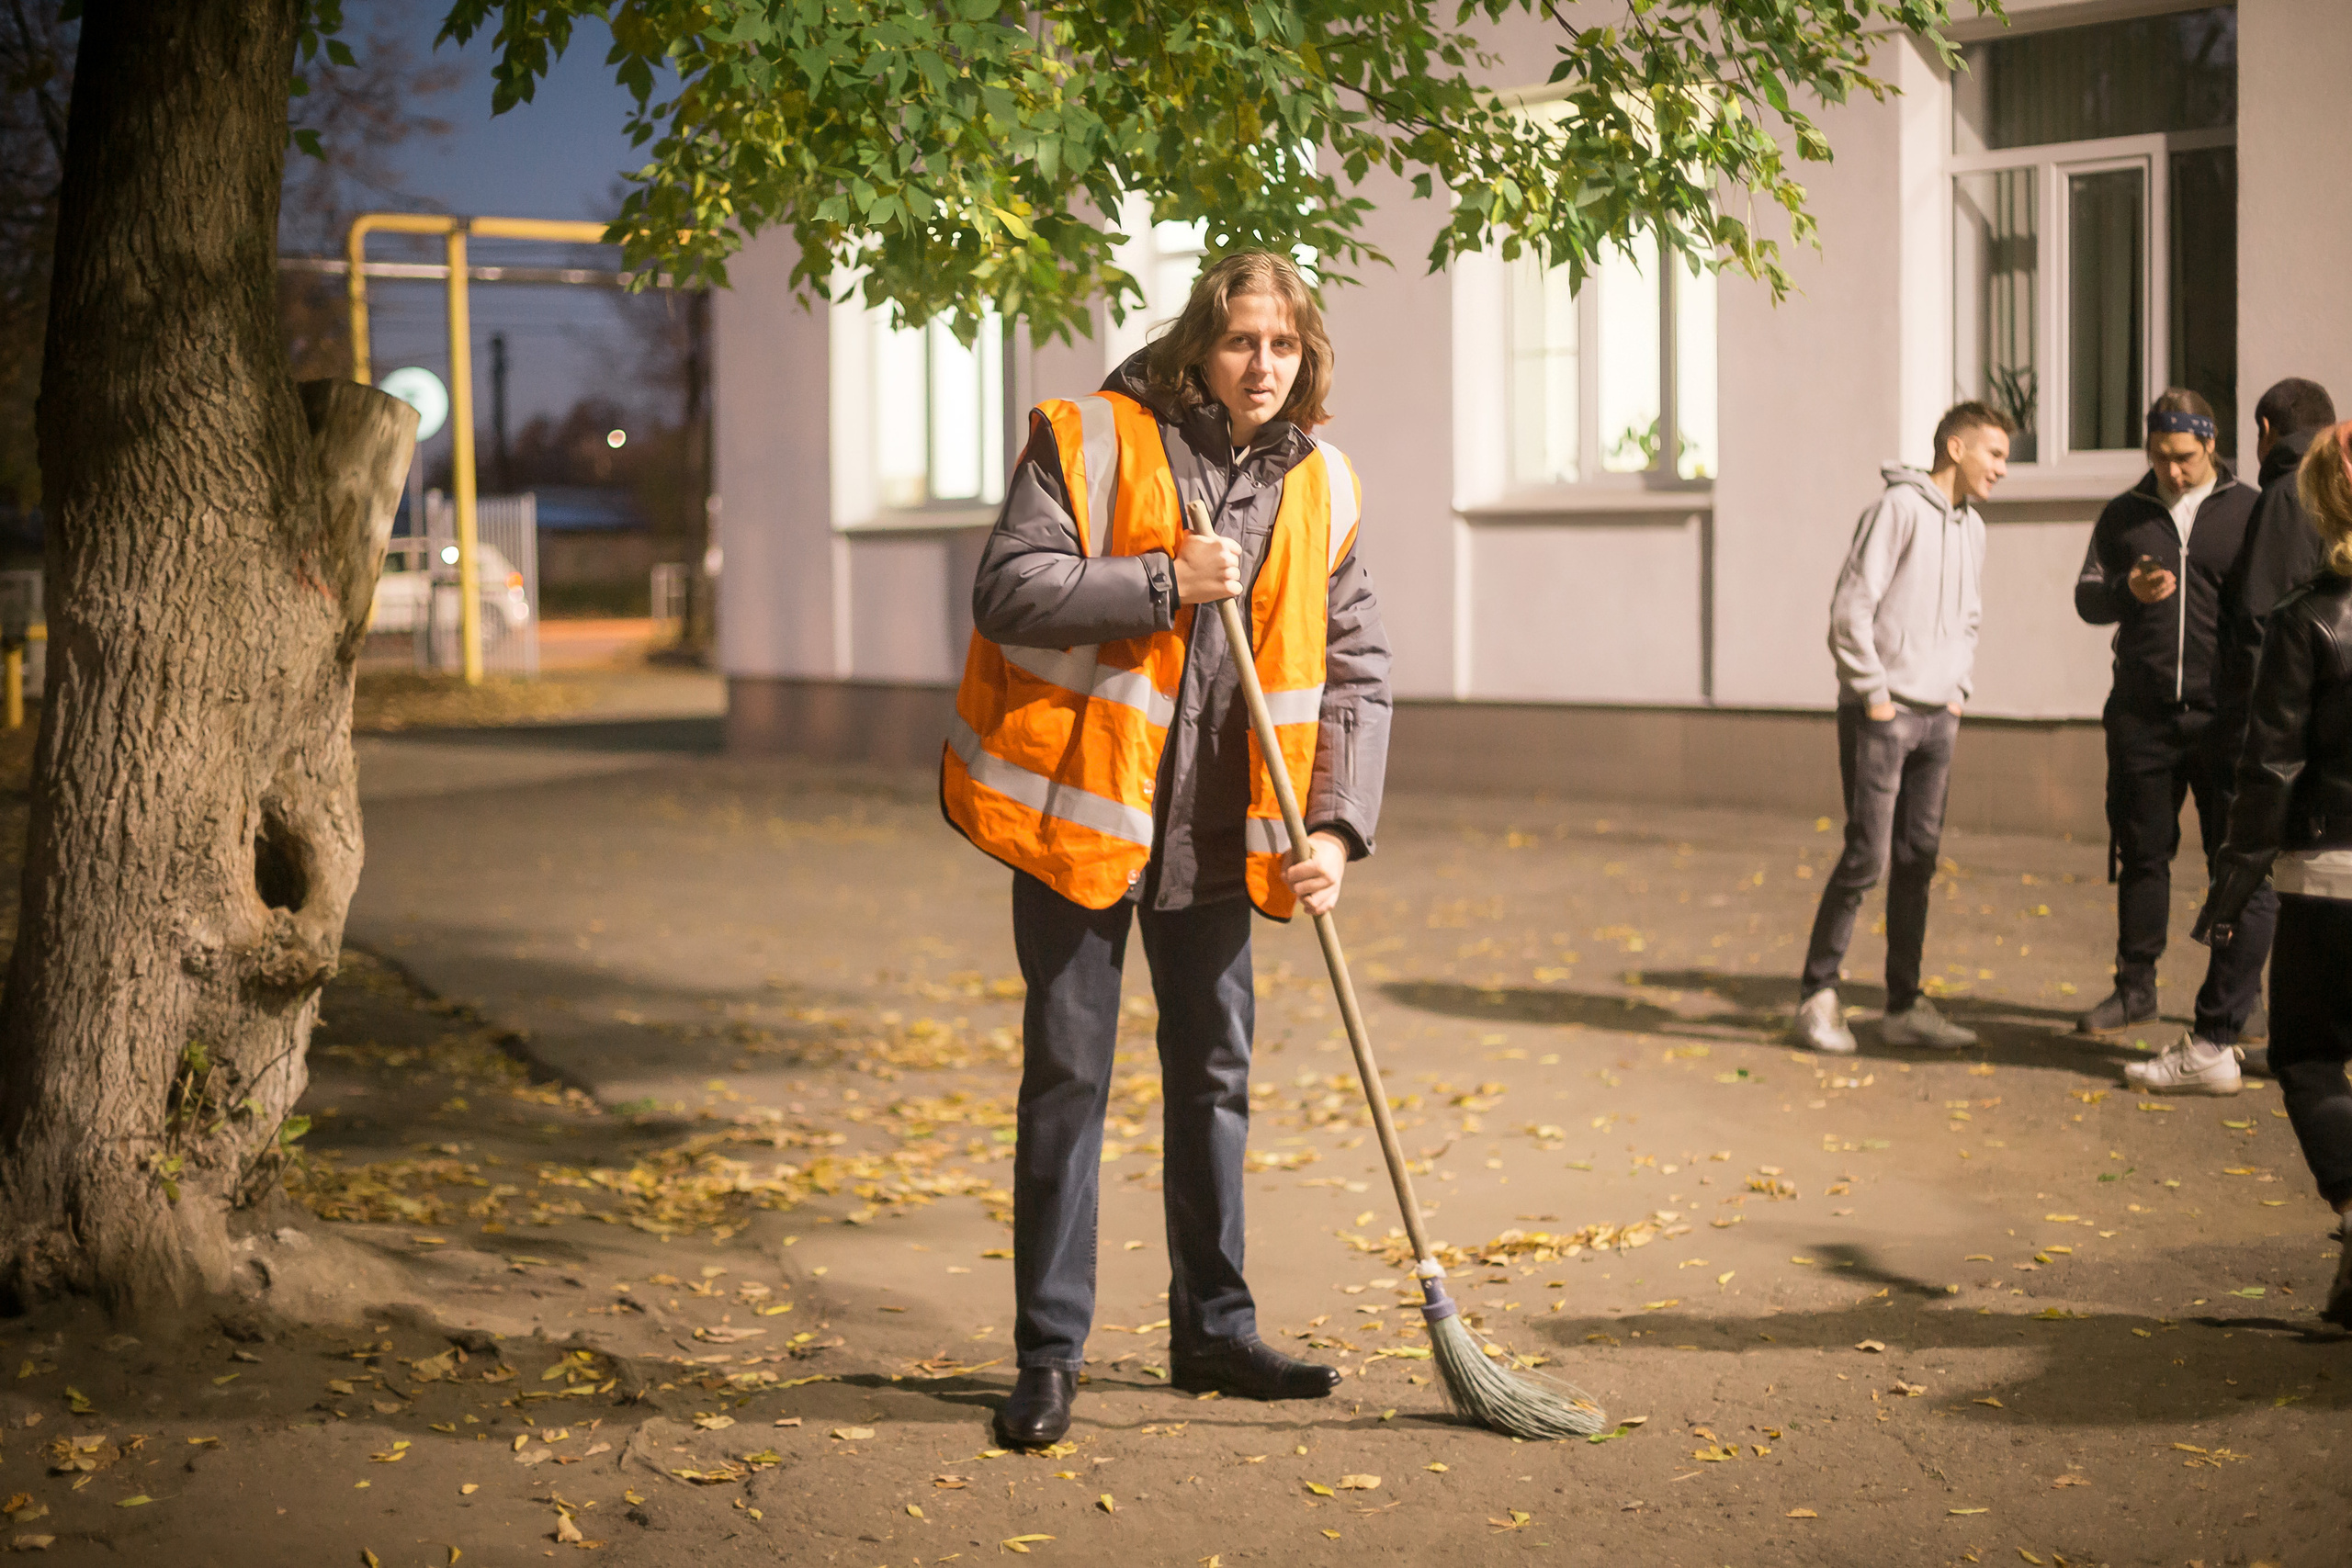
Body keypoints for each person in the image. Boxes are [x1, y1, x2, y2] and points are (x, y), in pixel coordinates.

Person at [942, 253, 1392, 1449]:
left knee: (1214, 1080)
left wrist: (1338, 826)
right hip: (1085, 823)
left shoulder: (1324, 483)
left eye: (1284, 347)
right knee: (1068, 1084)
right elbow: (1008, 588)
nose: (1263, 364)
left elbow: (1356, 671)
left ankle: (1215, 1328)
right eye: (1243, 340)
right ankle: (1049, 1356)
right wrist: (1161, 579)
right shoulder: (1095, 437)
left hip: (1217, 835)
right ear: (1199, 342)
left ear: (1308, 359)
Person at [2192, 419, 2352, 1324]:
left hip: (2331, 875)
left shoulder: (2303, 621)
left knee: (2305, 1055)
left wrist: (2235, 876)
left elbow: (2272, 764)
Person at [1795, 401, 2011, 1055]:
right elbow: (1849, 609)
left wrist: (1956, 694)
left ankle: (1902, 1005)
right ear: (1955, 446)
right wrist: (1876, 696)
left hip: (1937, 716)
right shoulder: (1897, 510)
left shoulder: (1973, 527)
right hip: (1882, 716)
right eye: (1994, 453)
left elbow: (1969, 618)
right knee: (1868, 855)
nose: (2003, 468)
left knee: (1917, 861)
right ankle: (1817, 996)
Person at [2072, 389, 2266, 1093]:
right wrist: (2128, 588)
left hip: (2222, 718)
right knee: (2143, 852)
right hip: (2143, 716)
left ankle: (2239, 1004)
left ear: (2210, 445)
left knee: (2232, 863)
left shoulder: (2246, 511)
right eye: (2158, 456)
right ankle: (2135, 986)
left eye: (2182, 457)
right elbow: (2087, 597)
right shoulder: (2126, 513)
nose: (2171, 471)